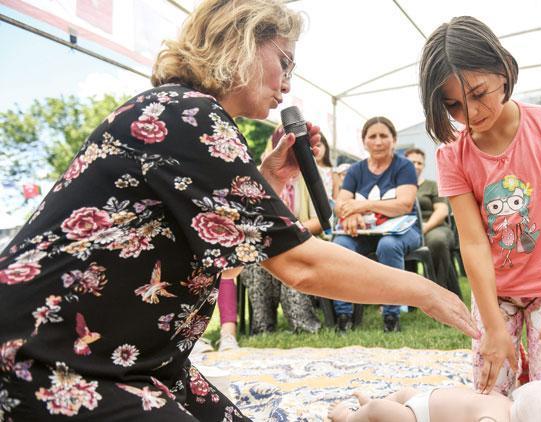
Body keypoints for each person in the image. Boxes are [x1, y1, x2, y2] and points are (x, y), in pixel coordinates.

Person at [0, 1, 478, 420]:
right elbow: (301, 265)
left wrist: (269, 177)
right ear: (243, 41)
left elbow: (224, 250)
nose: (287, 85)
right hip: (48, 354)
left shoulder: (179, 112)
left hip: (133, 356)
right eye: (284, 63)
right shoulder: (187, 114)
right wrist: (426, 292)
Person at [419, 16, 541, 396]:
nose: (472, 114)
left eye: (479, 94)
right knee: (490, 395)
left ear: (502, 70)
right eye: (454, 106)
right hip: (495, 294)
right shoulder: (453, 155)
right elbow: (474, 242)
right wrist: (494, 328)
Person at [333, 116, 421, 333]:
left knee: (388, 246)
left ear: (394, 139)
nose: (378, 141)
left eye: (384, 136)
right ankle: (344, 314)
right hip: (364, 233)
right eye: (372, 136)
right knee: (340, 245)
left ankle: (391, 316)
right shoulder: (355, 170)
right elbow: (340, 205)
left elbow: (404, 204)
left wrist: (361, 206)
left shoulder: (404, 166)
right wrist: (350, 215)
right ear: (364, 142)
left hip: (402, 231)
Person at [241, 127, 322, 335]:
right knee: (255, 260)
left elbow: (319, 220)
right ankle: (263, 327)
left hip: (300, 237)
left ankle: (302, 324)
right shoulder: (261, 174)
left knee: (291, 254)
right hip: (268, 239)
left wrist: (290, 231)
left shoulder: (310, 175)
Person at [328, 381, 541, 422]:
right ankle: (368, 404)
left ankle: (349, 417)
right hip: (425, 398)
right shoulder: (506, 407)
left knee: (380, 410)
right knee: (403, 393)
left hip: (420, 418)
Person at [404, 148, 458, 293]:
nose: (416, 165)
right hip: (408, 228)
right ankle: (405, 295)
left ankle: (440, 291)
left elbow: (442, 210)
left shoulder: (432, 185)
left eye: (419, 163)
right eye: (412, 162)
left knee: (437, 241)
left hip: (435, 227)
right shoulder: (399, 187)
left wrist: (425, 227)